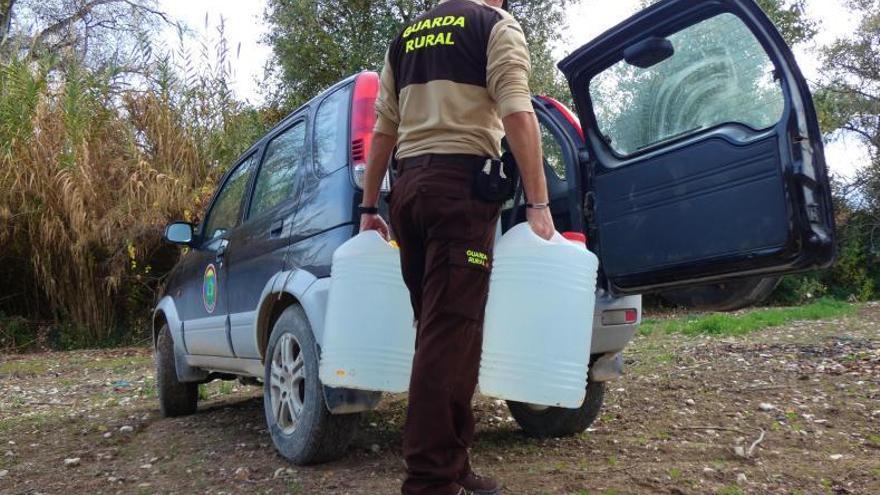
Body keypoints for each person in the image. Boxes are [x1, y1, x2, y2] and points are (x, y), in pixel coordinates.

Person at [358, 0, 554, 493]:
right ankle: (429, 480)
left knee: (445, 334)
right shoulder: (493, 25)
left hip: (409, 194)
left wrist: (367, 208)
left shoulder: (407, 37)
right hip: (458, 193)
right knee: (449, 335)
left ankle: (452, 461)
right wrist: (539, 202)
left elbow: (383, 127)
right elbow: (517, 111)